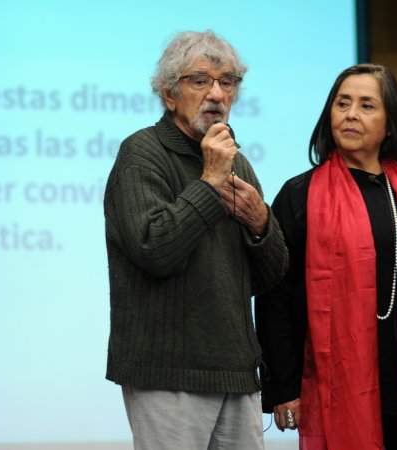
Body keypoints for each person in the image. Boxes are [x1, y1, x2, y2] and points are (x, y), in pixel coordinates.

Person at [255, 64, 397, 450]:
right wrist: (283, 389)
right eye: (342, 103)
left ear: (390, 124)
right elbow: (276, 298)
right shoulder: (300, 195)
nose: (351, 114)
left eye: (366, 105)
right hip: (337, 383)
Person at [103, 30, 288, 450]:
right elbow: (155, 249)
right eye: (200, 80)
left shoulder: (236, 160)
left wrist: (261, 221)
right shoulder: (142, 153)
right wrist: (208, 184)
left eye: (227, 82)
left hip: (237, 372)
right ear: (169, 94)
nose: (217, 94)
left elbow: (270, 275)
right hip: (167, 372)